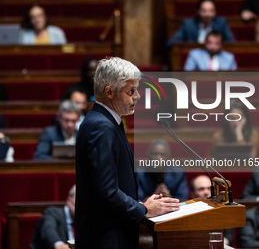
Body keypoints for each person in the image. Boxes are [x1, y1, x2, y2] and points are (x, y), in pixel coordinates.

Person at [75, 57, 181, 249]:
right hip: (106, 239)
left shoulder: (104, 121)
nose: (137, 96)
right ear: (109, 91)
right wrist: (143, 209)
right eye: (131, 91)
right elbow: (106, 193)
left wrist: (142, 203)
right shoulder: (101, 127)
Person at [166, 0, 234, 47]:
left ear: (215, 12)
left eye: (211, 11)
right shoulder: (188, 24)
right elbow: (171, 42)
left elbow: (232, 43)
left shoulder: (221, 23)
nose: (208, 14)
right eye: (204, 11)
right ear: (198, 11)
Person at [190, 175, 233, 245]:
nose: (206, 192)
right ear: (192, 193)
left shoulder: (223, 211)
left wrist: (221, 242)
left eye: (209, 188)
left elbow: (229, 237)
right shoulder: (187, 213)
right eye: (201, 189)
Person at [30, 185, 76, 249]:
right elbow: (48, 229)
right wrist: (59, 245)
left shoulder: (86, 221)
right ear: (68, 200)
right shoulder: (52, 213)